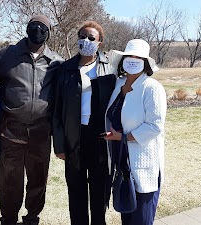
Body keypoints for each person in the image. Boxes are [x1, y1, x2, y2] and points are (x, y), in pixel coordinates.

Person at [0, 15, 63, 225]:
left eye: (43, 28)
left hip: (41, 131)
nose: (38, 31)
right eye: (34, 27)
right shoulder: (7, 55)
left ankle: (32, 219)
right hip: (12, 129)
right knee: (9, 181)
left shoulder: (56, 62)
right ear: (26, 29)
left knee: (38, 180)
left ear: (49, 33)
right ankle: (8, 219)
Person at [52, 21, 117, 225]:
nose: (85, 41)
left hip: (100, 138)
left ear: (100, 42)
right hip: (74, 137)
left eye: (91, 38)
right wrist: (60, 145)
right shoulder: (65, 69)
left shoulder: (109, 68)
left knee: (99, 192)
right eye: (82, 36)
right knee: (76, 191)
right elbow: (56, 109)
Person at [104, 39, 167, 225]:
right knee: (127, 217)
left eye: (138, 57)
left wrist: (123, 138)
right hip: (122, 163)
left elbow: (155, 126)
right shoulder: (118, 84)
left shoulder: (152, 88)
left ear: (145, 62)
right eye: (129, 56)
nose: (132, 60)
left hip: (143, 164)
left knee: (141, 218)